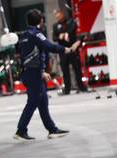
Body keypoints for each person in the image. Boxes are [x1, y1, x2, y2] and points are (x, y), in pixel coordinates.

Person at [15, 9, 80, 141]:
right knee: (33, 101)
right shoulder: (36, 34)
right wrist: (65, 49)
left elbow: (24, 56)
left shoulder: (24, 36)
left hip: (29, 72)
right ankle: (21, 131)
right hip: (33, 74)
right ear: (41, 21)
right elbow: (48, 46)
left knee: (43, 101)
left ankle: (52, 130)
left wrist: (42, 71)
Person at [53, 9, 86, 94]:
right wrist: (59, 37)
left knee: (77, 68)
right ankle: (67, 89)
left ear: (62, 14)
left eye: (59, 16)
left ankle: (81, 86)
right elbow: (54, 37)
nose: (58, 18)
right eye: (56, 17)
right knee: (65, 70)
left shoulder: (70, 21)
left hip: (72, 48)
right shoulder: (55, 26)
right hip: (63, 50)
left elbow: (73, 28)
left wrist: (65, 33)